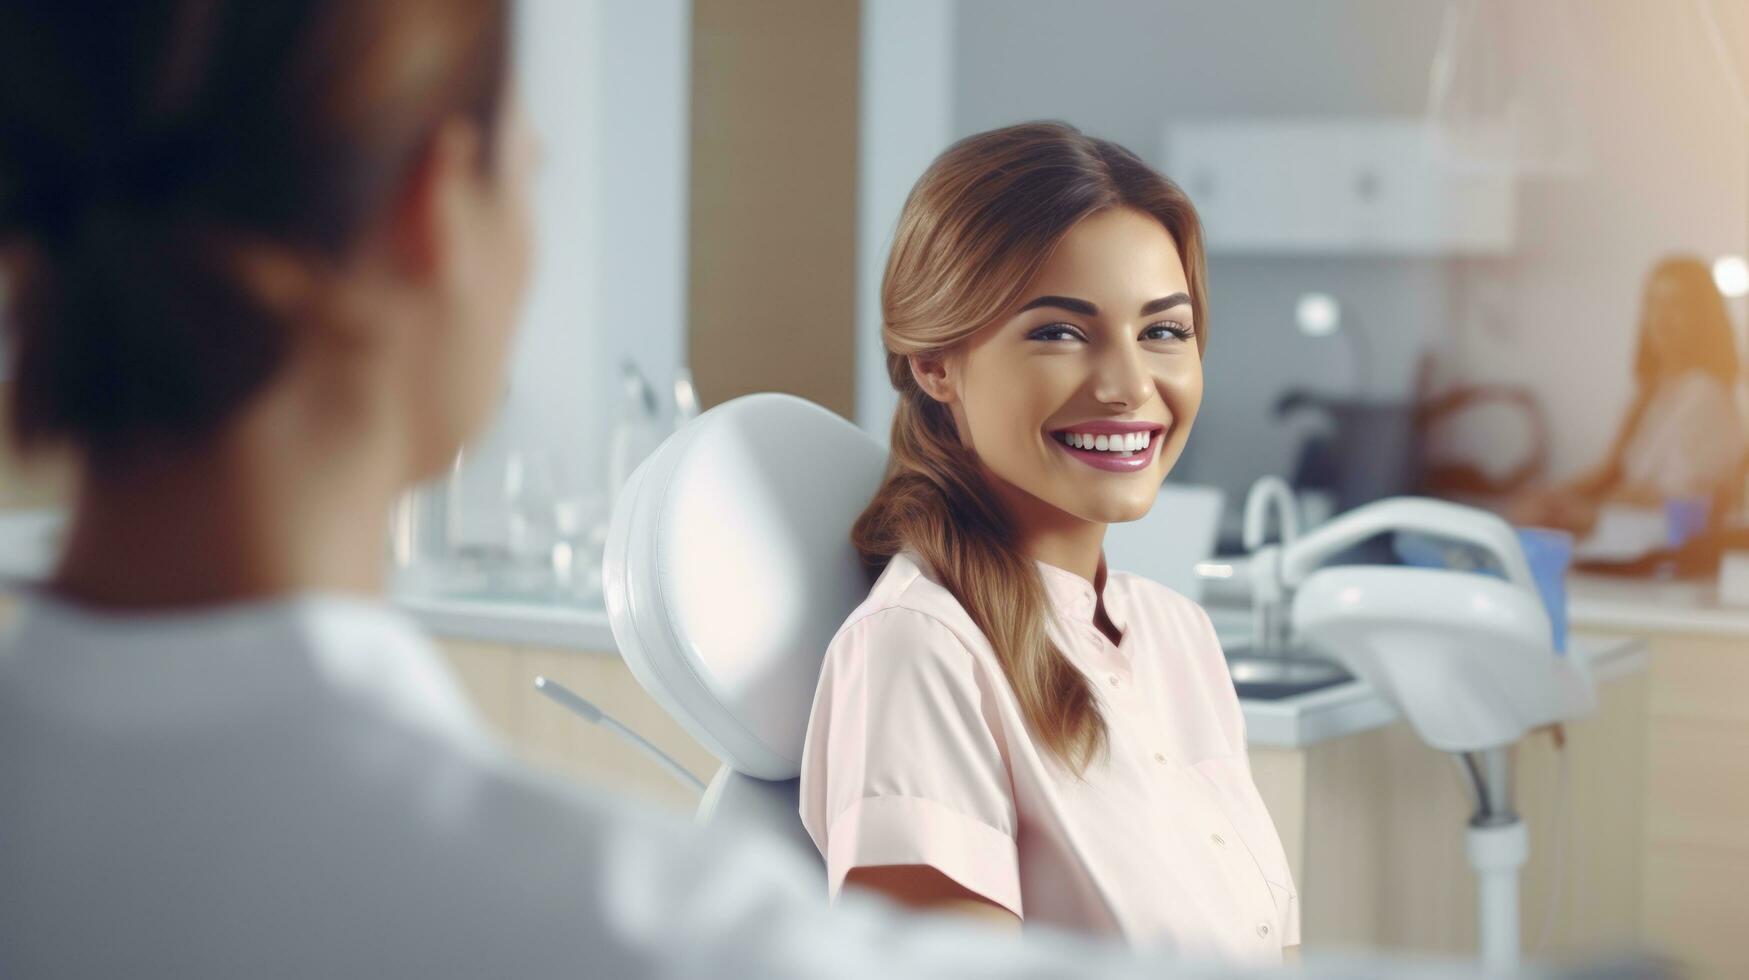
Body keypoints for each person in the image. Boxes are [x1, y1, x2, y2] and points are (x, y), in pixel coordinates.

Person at [0, 3, 1231, 976]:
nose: (1126, 382)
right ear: (432, 209)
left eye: (1165, 329)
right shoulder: (618, 924)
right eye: (531, 166)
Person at [798, 123, 1299, 968]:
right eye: (1060, 333)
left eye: (1163, 333)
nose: (1128, 385)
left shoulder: (1178, 638)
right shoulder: (919, 653)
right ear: (935, 364)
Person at [1508, 256, 1746, 536]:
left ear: (1703, 317)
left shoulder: (1706, 395)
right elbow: (1611, 471)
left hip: (1657, 545)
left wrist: (1587, 514)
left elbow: (1685, 502)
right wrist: (1554, 498)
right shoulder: (1652, 391)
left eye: (1677, 305)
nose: (1662, 318)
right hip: (1620, 529)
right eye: (1654, 303)